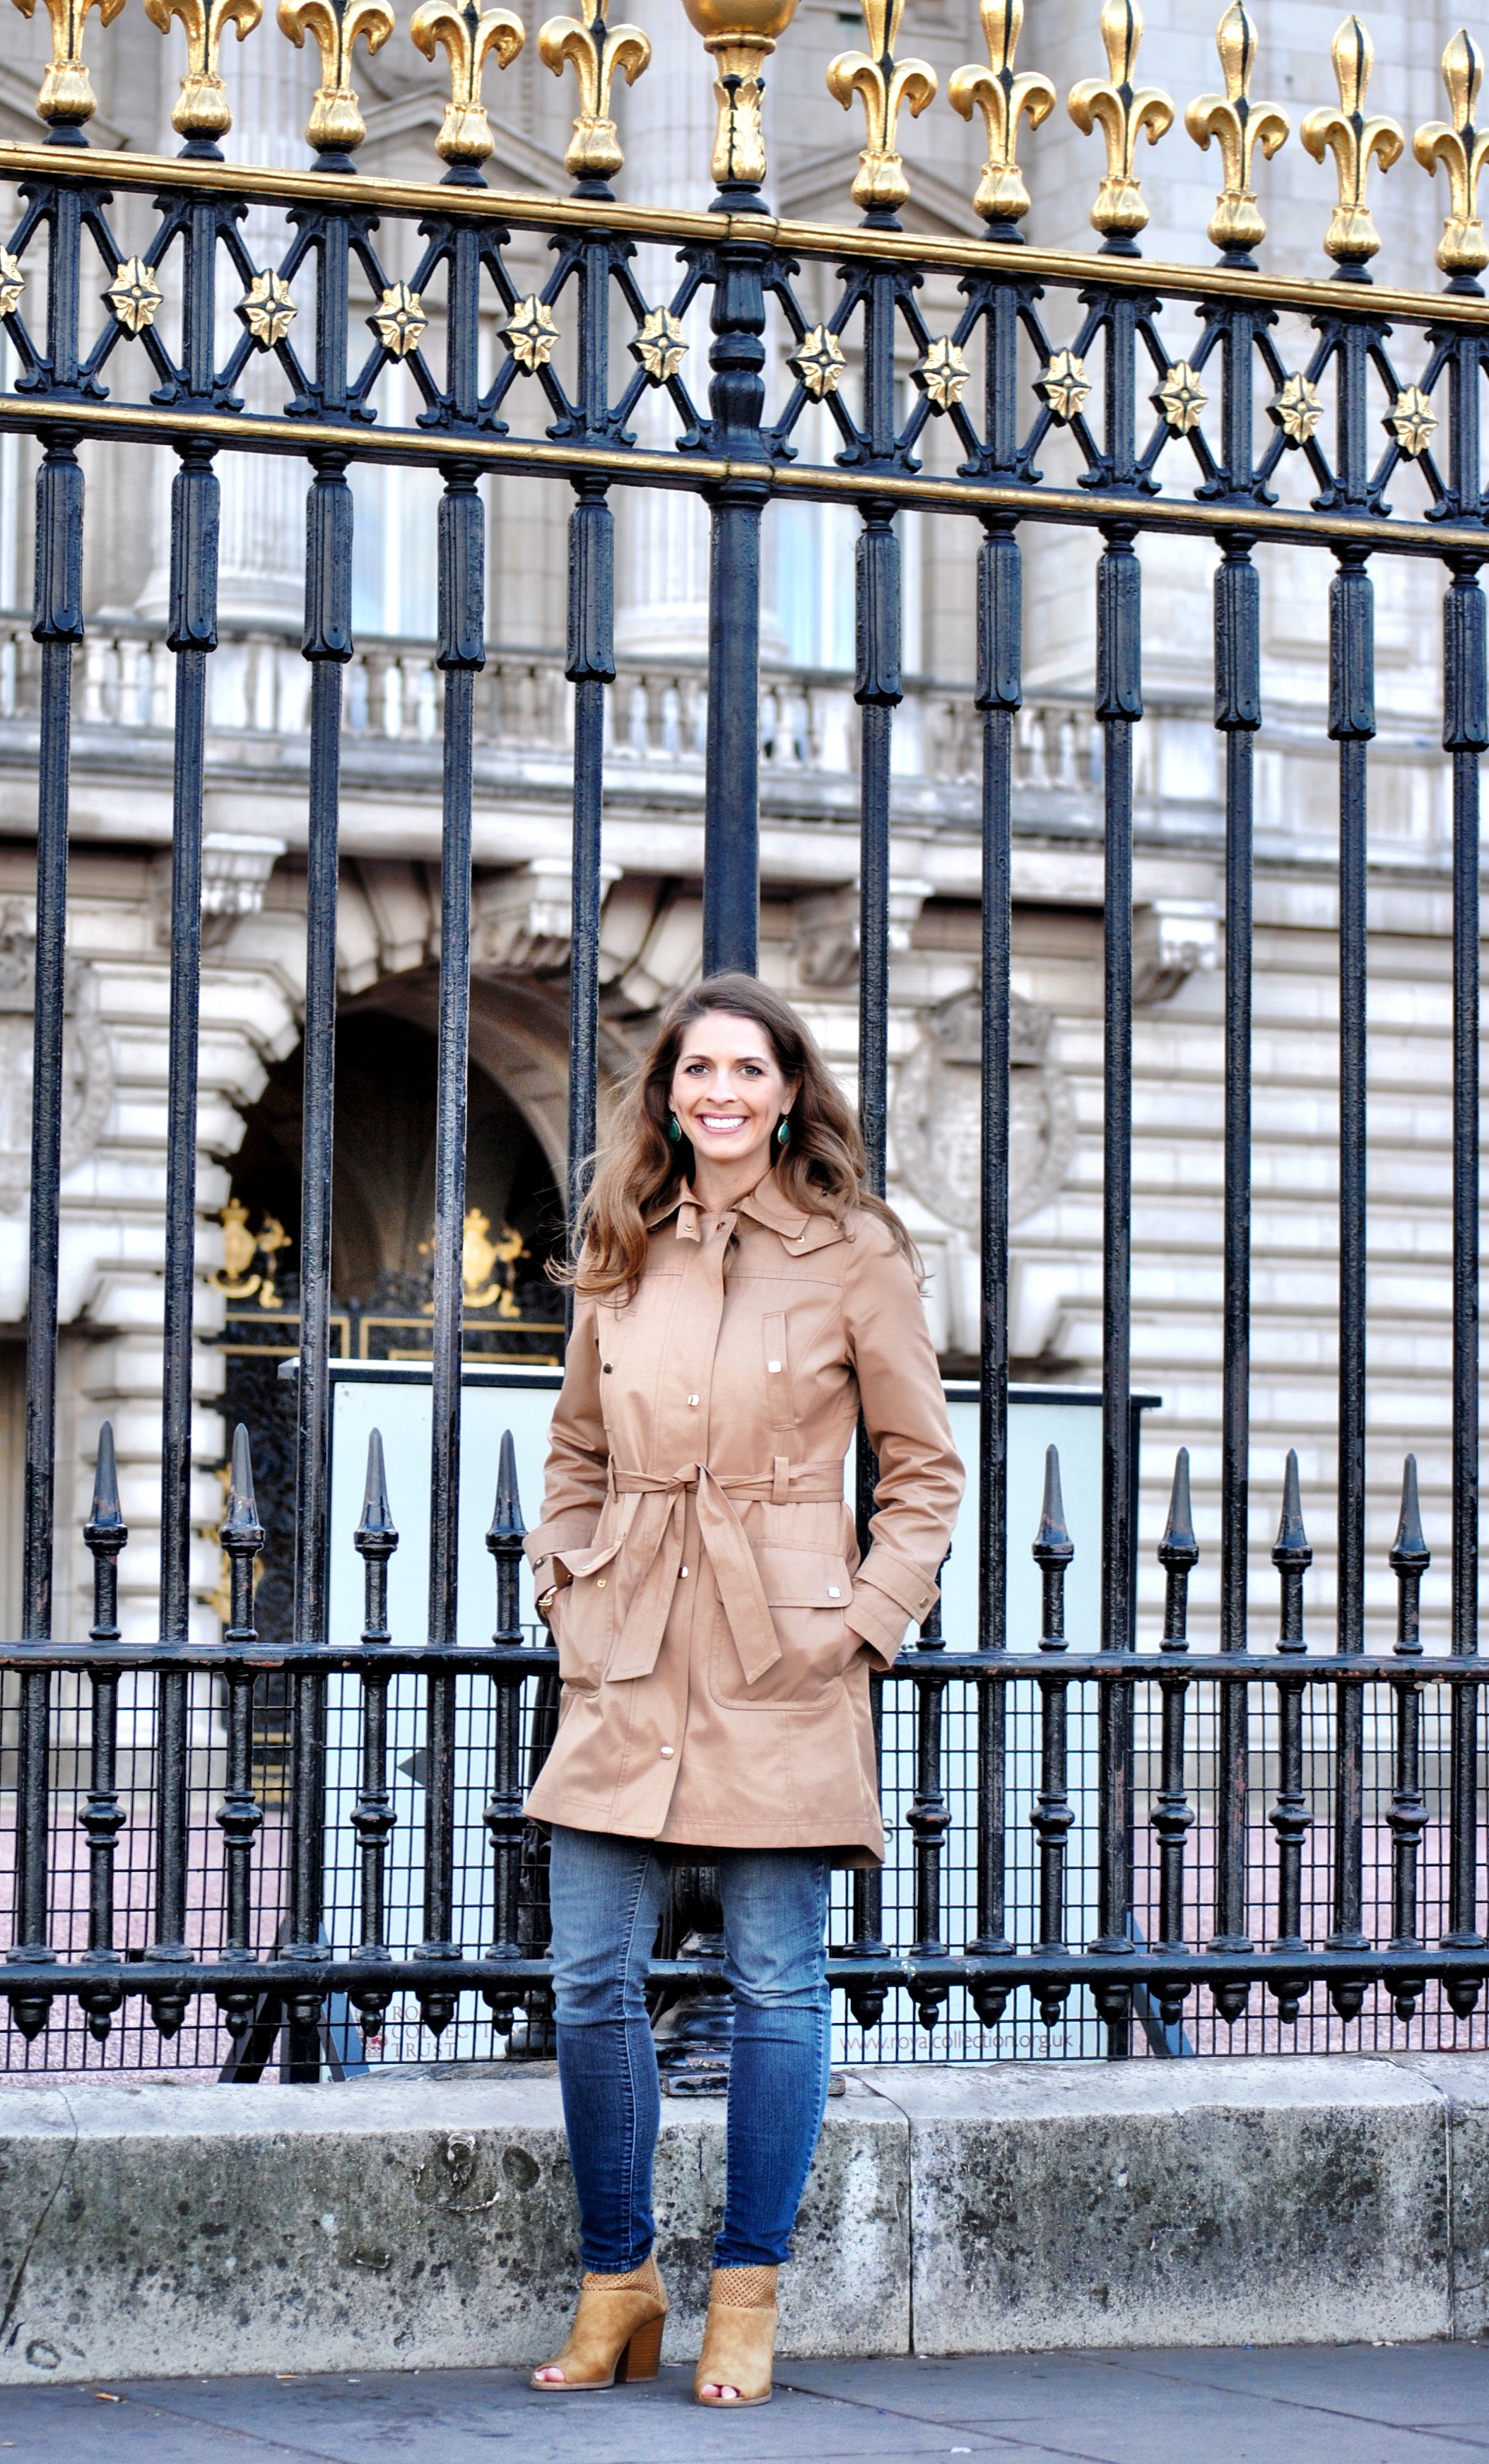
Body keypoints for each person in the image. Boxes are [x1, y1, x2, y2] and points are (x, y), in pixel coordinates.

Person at [524, 972, 963, 2408]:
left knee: (777, 1982)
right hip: (631, 1640)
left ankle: (749, 2293)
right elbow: (576, 1444)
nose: (718, 1091)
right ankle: (619, 2277)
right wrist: (564, 1579)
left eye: (747, 1070)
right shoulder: (620, 1243)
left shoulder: (855, 1252)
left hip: (786, 1645)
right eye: (695, 1069)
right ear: (666, 1094)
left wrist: (866, 1622)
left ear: (788, 1094)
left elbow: (922, 1471)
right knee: (591, 1976)